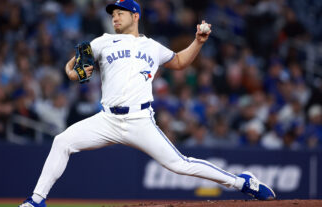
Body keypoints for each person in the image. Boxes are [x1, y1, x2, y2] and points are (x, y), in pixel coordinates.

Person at [19, 1, 275, 206]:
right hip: (107, 119)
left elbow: (178, 62)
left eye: (121, 13)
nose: (115, 17)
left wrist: (197, 42)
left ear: (136, 16)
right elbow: (78, 71)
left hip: (140, 120)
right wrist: (70, 70)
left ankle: (242, 183)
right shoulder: (102, 41)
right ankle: (37, 200)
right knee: (62, 141)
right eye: (113, 14)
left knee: (179, 164)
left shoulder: (151, 46)